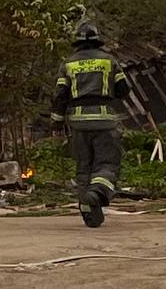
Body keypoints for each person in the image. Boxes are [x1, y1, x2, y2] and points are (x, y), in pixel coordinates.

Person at [50, 21, 129, 228]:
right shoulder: (109, 61)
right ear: (97, 40)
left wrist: (57, 123)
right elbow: (123, 89)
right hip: (104, 120)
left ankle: (88, 208)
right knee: (107, 163)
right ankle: (96, 193)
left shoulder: (68, 64)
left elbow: (59, 96)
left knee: (83, 167)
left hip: (77, 123)